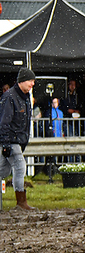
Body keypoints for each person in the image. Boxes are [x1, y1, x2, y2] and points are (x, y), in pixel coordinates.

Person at [0, 67, 36, 210]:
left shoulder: (24, 97)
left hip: (17, 140)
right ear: (21, 81)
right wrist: (6, 143)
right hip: (11, 140)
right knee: (20, 167)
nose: (32, 84)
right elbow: (4, 122)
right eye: (30, 81)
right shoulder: (10, 97)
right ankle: (21, 202)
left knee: (3, 171)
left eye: (33, 81)